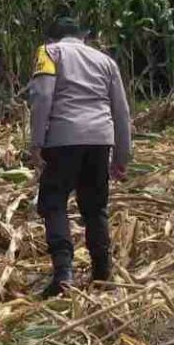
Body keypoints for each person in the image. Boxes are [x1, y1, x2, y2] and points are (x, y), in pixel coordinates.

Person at [27, 17, 132, 297]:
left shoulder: (48, 52)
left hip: (63, 138)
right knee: (95, 207)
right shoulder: (105, 61)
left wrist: (36, 142)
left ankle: (63, 275)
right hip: (100, 140)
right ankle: (102, 273)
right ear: (82, 36)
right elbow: (121, 112)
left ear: (53, 37)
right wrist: (122, 156)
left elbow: (42, 97)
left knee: (53, 202)